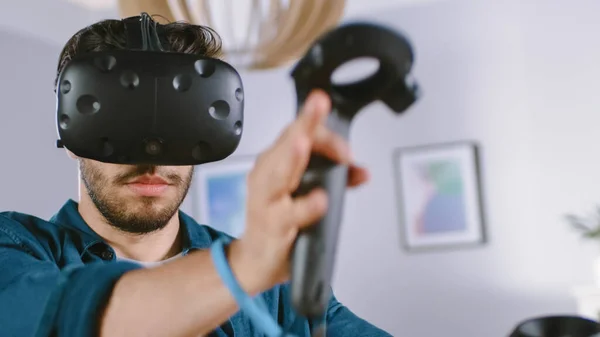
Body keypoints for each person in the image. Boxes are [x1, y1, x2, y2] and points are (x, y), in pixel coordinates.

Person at [0, 18, 391, 337]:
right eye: (121, 125)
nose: (152, 156)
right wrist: (243, 267)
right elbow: (55, 317)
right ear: (71, 137)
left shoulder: (276, 290)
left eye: (177, 125)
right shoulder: (15, 251)